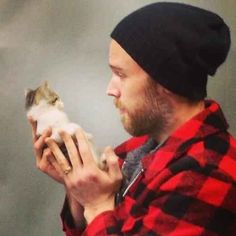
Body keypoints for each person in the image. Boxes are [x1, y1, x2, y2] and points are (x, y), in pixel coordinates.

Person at [29, 2, 236, 235]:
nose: (110, 89)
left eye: (120, 74)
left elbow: (102, 215)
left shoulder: (207, 173)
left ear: (166, 81)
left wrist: (97, 204)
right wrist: (77, 187)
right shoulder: (131, 153)